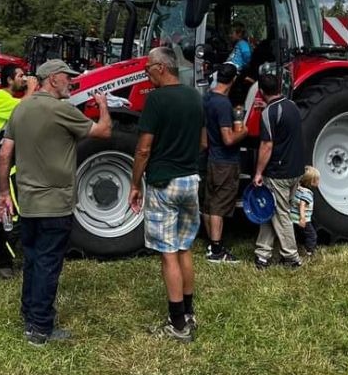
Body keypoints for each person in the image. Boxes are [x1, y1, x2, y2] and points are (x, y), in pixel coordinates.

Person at [0, 59, 111, 346]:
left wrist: (3, 194)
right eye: (68, 77)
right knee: (48, 264)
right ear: (53, 79)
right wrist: (104, 106)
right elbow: (104, 132)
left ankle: (29, 314)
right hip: (55, 203)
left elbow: (3, 155)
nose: (72, 82)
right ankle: (40, 328)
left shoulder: (20, 108)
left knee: (33, 260)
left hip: (29, 201)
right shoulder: (62, 110)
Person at [129, 46, 206, 343]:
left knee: (168, 252)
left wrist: (135, 184)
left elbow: (144, 148)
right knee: (185, 248)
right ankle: (188, 312)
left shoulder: (156, 100)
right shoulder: (195, 97)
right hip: (190, 181)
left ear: (161, 68)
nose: (147, 74)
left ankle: (177, 325)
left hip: (164, 183)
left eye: (148, 69)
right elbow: (203, 142)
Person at [0, 64, 39, 279]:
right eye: (20, 76)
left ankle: (8, 257)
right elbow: (23, 109)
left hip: (12, 162)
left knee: (13, 209)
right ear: (9, 80)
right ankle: (2, 261)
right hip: (3, 162)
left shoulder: (8, 97)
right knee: (8, 210)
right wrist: (31, 89)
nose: (24, 79)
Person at [252, 64, 303, 270]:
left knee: (280, 214)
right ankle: (262, 253)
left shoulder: (269, 113)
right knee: (272, 210)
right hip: (296, 170)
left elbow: (267, 145)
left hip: (278, 172)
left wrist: (258, 172)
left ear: (261, 92)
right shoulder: (292, 106)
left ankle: (292, 257)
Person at [202, 63, 246, 264]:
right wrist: (243, 131)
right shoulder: (222, 104)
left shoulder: (208, 98)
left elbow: (203, 134)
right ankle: (217, 251)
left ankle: (211, 244)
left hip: (211, 158)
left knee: (210, 203)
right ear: (233, 80)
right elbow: (228, 139)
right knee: (219, 206)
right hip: (225, 162)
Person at [291, 166, 320, 258]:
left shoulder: (298, 189)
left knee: (295, 234)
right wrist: (303, 218)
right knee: (312, 236)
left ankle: (293, 247)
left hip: (293, 218)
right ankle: (310, 252)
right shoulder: (307, 193)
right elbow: (302, 205)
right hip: (303, 219)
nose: (319, 181)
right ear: (312, 181)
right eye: (317, 179)